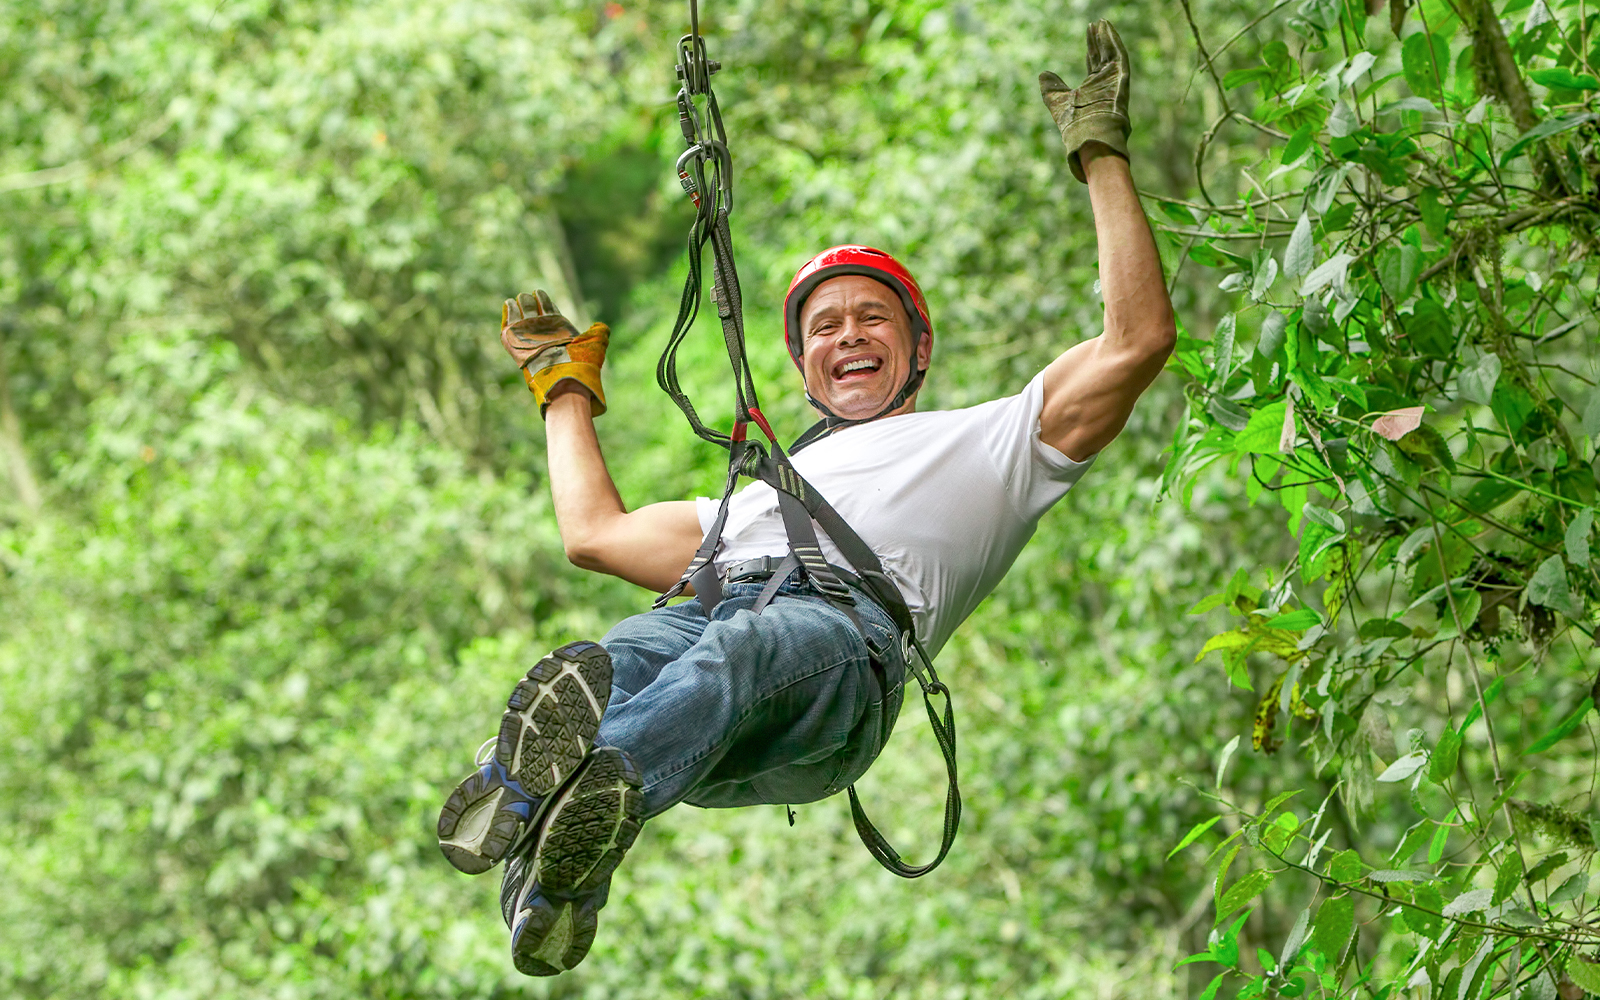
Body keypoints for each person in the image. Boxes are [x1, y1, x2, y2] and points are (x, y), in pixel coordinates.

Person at [434, 20, 1175, 976]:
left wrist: (1099, 153)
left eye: (874, 317)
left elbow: (1138, 340)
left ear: (918, 346)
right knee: (615, 656)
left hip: (840, 669)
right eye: (826, 325)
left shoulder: (993, 441)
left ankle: (542, 813)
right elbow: (594, 534)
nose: (850, 334)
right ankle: (560, 870)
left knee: (740, 649)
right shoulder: (757, 501)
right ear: (803, 365)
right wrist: (564, 388)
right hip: (714, 656)